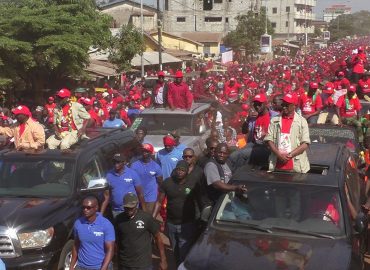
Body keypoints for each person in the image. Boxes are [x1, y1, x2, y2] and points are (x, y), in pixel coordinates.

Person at [153, 160, 201, 266]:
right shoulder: (167, 183)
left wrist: (200, 217)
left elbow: (199, 201)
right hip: (171, 223)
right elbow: (159, 202)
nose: (180, 172)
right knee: (175, 250)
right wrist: (152, 218)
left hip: (187, 224)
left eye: (183, 170)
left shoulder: (193, 183)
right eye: (178, 169)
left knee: (184, 250)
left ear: (187, 172)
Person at [115, 193, 167, 270]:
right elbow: (117, 242)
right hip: (125, 264)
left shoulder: (146, 218)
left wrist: (163, 260)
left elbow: (158, 238)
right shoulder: (118, 219)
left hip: (143, 264)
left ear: (136, 205)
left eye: (131, 208)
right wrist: (118, 262)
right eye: (127, 208)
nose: (129, 210)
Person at [264, 93, 311, 173]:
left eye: (287, 105)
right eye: (283, 104)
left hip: (296, 167)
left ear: (294, 106)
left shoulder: (302, 121)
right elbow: (269, 140)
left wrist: (290, 155)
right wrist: (279, 155)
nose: (284, 107)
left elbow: (305, 144)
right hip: (277, 166)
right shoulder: (274, 120)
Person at [70, 196, 115, 270]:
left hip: (99, 266)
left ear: (96, 208)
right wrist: (71, 266)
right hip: (81, 266)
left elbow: (110, 249)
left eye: (88, 207)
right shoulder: (78, 223)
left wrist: (103, 268)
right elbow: (76, 245)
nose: (85, 210)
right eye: (83, 207)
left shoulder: (106, 225)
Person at [131, 143, 163, 213]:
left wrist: (159, 199)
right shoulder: (134, 165)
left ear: (150, 153)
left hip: (151, 198)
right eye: (143, 151)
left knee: (148, 218)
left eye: (146, 151)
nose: (144, 153)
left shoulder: (156, 167)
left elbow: (160, 183)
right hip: (137, 198)